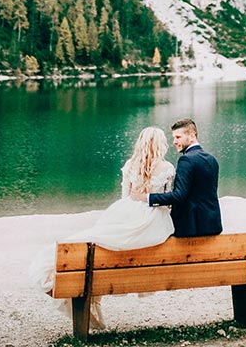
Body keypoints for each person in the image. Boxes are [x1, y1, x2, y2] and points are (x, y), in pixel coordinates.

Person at [28, 126, 175, 328]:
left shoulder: (130, 165)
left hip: (127, 210)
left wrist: (133, 205)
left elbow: (126, 196)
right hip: (155, 220)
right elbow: (168, 203)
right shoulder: (167, 168)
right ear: (161, 145)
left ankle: (68, 278)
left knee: (100, 237)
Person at [133, 117, 222, 237]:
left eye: (178, 137)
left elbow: (178, 196)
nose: (174, 141)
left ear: (191, 136)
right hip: (212, 224)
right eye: (174, 137)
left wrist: (146, 197)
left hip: (190, 228)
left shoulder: (186, 160)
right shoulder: (212, 159)